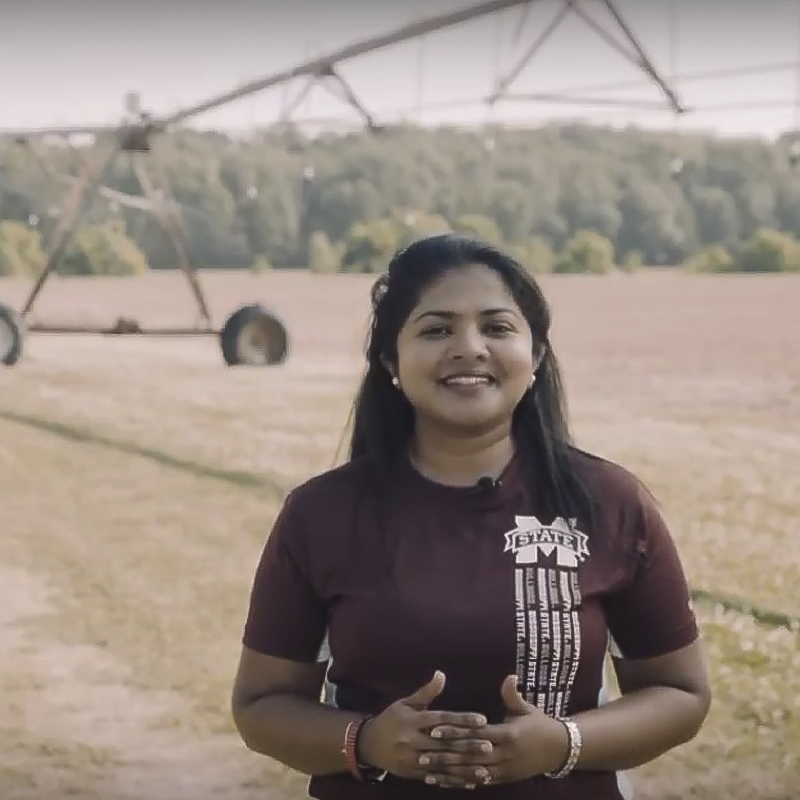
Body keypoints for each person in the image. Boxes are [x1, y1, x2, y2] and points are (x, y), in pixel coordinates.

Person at [231, 233, 711, 799]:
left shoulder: (608, 502)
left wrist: (563, 744)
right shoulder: (321, 514)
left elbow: (681, 693)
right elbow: (261, 704)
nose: (469, 347)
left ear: (535, 356)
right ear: (390, 359)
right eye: (436, 329)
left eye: (497, 327)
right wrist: (366, 743)